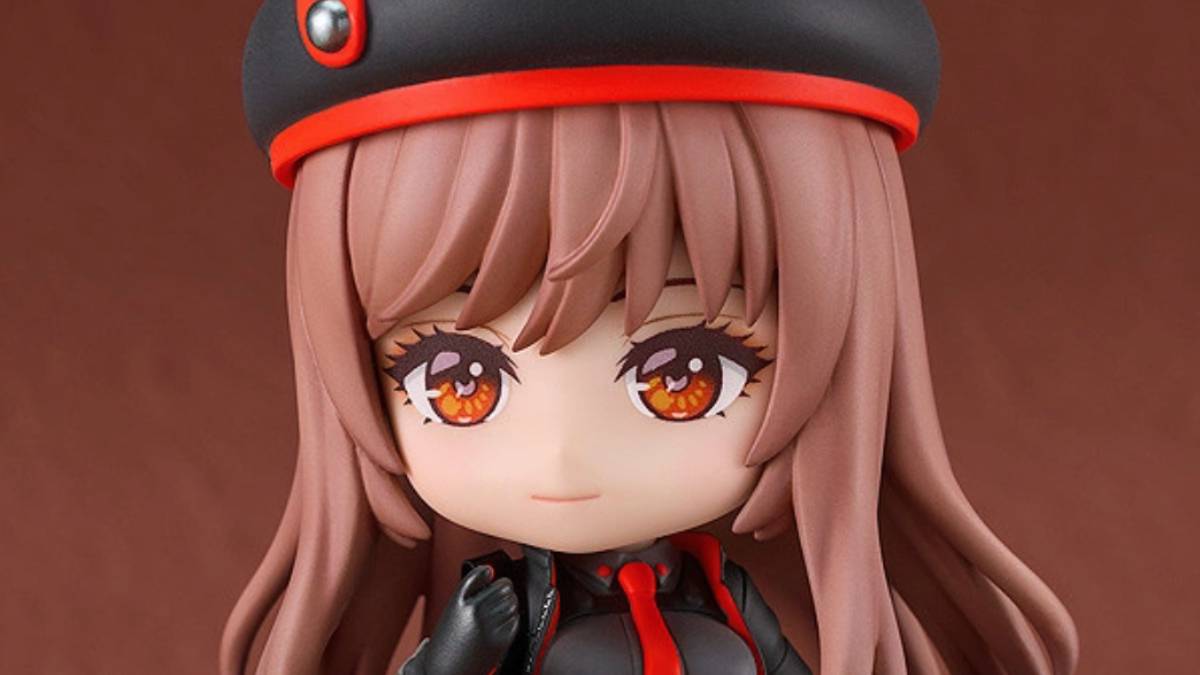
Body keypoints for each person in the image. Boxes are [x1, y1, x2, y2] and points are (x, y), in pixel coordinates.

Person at [222, 2, 1079, 674]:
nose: (562, 454)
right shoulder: (502, 611)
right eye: (457, 380)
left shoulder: (723, 596)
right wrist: (455, 652)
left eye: (685, 373)